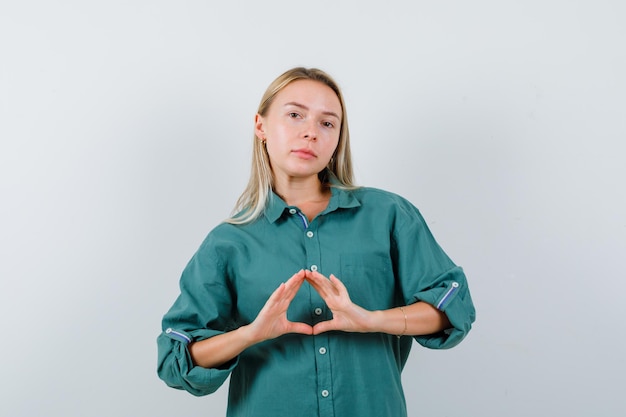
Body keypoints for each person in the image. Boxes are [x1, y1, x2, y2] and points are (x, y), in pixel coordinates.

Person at [157, 67, 476, 417]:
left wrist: (372, 320)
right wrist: (251, 334)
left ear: (338, 139)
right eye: (295, 115)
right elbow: (176, 357)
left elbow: (452, 305)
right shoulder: (229, 242)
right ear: (261, 126)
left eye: (327, 123)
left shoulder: (388, 215)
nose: (311, 132)